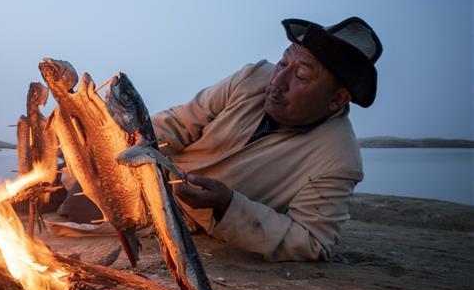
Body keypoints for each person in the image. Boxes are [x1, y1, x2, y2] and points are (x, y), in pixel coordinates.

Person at [152, 17, 382, 261]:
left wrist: (227, 206)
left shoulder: (339, 159)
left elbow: (312, 241)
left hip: (191, 229)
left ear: (337, 99)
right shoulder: (252, 78)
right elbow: (177, 123)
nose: (277, 81)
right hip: (149, 188)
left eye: (301, 76)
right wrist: (131, 141)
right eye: (282, 63)